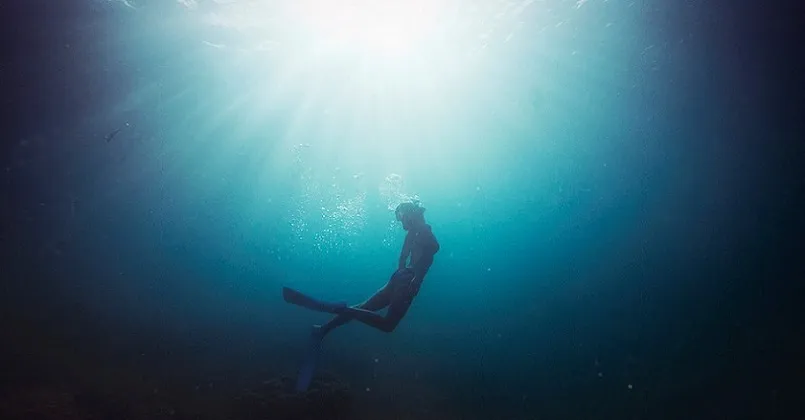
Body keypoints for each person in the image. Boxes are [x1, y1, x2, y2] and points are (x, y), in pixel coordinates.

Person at [312, 201, 440, 338]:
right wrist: (416, 280)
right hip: (408, 280)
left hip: (400, 276)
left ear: (410, 215)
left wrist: (402, 275)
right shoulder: (423, 231)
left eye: (401, 218)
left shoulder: (413, 233)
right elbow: (432, 251)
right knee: (388, 325)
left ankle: (322, 329)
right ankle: (339, 310)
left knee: (364, 307)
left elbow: (403, 257)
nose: (401, 223)